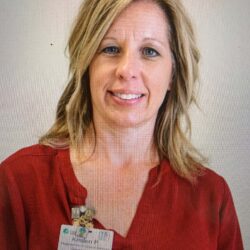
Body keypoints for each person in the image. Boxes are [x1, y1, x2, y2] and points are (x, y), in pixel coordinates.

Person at [0, 0, 243, 249]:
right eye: (111, 49)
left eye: (150, 51)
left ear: (173, 73)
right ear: (87, 65)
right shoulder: (20, 182)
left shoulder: (212, 196)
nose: (127, 70)